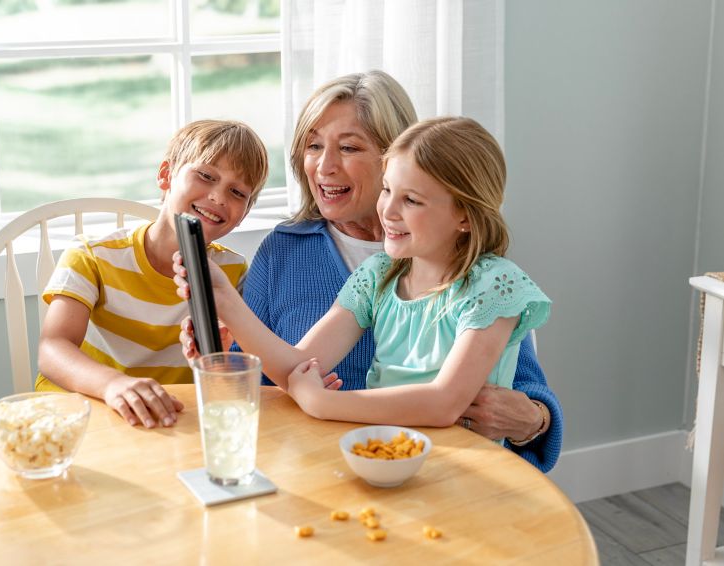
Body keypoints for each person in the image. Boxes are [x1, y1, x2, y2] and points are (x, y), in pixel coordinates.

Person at [183, 71, 562, 472]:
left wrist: (535, 419)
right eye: (313, 146)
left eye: (348, 147)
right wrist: (222, 314)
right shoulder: (343, 265)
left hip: (453, 468)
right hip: (344, 463)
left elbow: (506, 394)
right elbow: (282, 370)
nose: (324, 166)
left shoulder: (488, 282)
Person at [36, 119, 269, 429]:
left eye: (237, 192)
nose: (218, 197)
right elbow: (53, 349)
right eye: (205, 176)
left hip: (169, 420)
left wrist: (221, 355)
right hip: (81, 415)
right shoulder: (92, 256)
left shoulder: (233, 274)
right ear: (166, 176)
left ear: (244, 214)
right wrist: (112, 385)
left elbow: (229, 374)